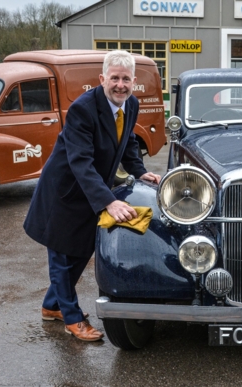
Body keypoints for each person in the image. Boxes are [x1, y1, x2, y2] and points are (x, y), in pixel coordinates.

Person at [23, 50, 161, 342]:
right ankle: (72, 318)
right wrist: (109, 200)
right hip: (64, 190)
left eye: (126, 79)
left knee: (82, 250)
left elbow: (129, 142)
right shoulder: (83, 109)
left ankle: (51, 305)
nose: (120, 85)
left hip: (91, 190)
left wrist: (140, 171)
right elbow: (81, 162)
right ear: (102, 79)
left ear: (133, 81)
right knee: (61, 254)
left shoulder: (131, 104)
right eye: (115, 78)